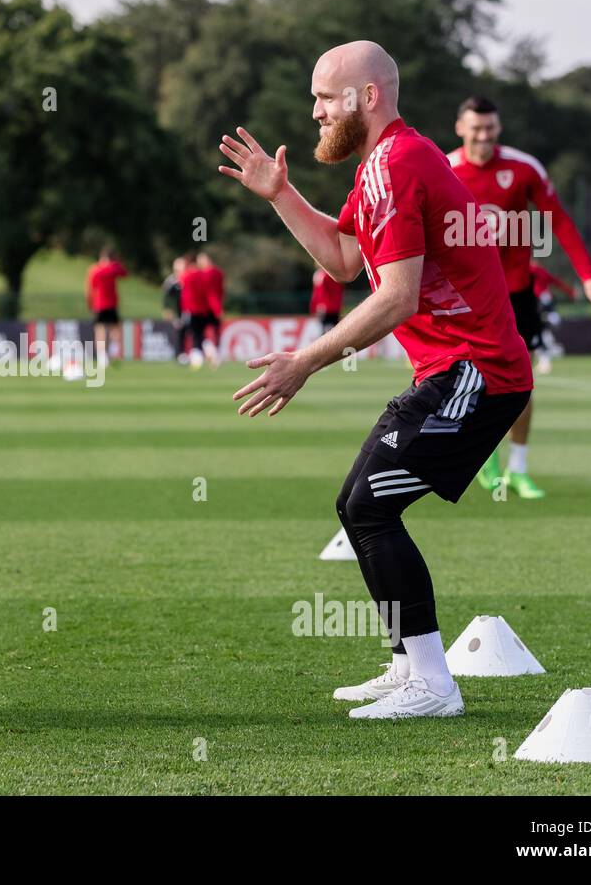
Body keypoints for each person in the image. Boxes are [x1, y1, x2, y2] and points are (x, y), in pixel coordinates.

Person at [218, 40, 532, 719]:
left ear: (368, 97)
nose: (314, 113)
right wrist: (281, 194)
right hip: (463, 371)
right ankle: (410, 667)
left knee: (368, 505)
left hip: (478, 371)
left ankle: (433, 685)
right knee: (361, 505)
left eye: (325, 98)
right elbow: (340, 259)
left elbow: (396, 297)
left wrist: (302, 361)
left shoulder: (396, 164)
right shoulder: (386, 164)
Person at [449, 96, 591, 499]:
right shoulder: (443, 169)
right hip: (465, 297)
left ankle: (519, 468)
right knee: (469, 381)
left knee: (521, 384)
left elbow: (559, 220)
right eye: (476, 128)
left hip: (516, 293)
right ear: (460, 128)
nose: (484, 135)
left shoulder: (522, 167)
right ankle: (486, 460)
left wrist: (587, 274)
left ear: (499, 128)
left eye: (490, 128)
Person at [529, 261, 575, 375]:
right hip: (544, 301)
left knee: (537, 333)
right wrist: (570, 292)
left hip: (538, 302)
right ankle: (551, 319)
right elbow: (557, 282)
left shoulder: (531, 270)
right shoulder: (541, 271)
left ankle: (550, 319)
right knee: (540, 333)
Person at [85, 248, 127, 366]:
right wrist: (116, 263)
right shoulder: (112, 268)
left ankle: (103, 355)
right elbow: (124, 272)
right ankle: (112, 352)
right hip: (108, 304)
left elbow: (89, 289)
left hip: (99, 305)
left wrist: (89, 304)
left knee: (101, 330)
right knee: (113, 329)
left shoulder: (94, 269)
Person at [179, 254, 213, 367]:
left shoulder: (187, 275)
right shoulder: (203, 275)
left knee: (194, 334)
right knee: (200, 334)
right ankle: (207, 352)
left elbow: (181, 284)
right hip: (203, 310)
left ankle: (197, 358)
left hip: (191, 310)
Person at [196, 251, 225, 363]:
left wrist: (217, 307)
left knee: (201, 332)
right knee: (214, 331)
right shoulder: (218, 272)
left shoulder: (207, 274)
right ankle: (213, 352)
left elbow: (211, 293)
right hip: (212, 306)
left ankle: (212, 353)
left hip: (206, 308)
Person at [310, 267, 344, 333]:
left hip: (324, 308)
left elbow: (316, 294)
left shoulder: (319, 275)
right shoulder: (337, 275)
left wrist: (313, 307)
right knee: (335, 331)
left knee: (325, 332)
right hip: (335, 307)